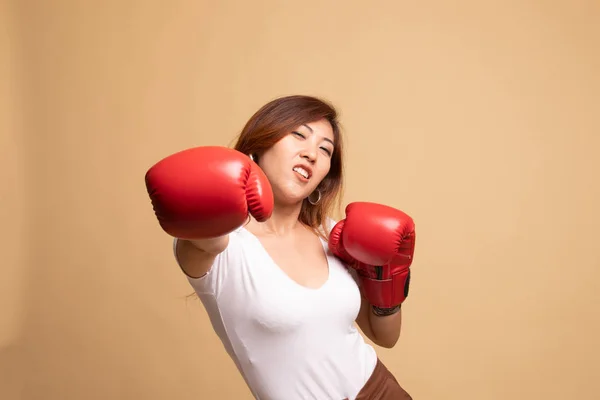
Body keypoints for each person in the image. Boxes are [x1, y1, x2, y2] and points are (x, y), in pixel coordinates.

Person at [144, 95, 416, 400]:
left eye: (325, 150)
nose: (311, 154)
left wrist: (388, 279)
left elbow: (385, 336)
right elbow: (199, 231)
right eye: (299, 135)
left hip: (381, 391)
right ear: (258, 147)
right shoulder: (219, 242)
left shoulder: (331, 233)